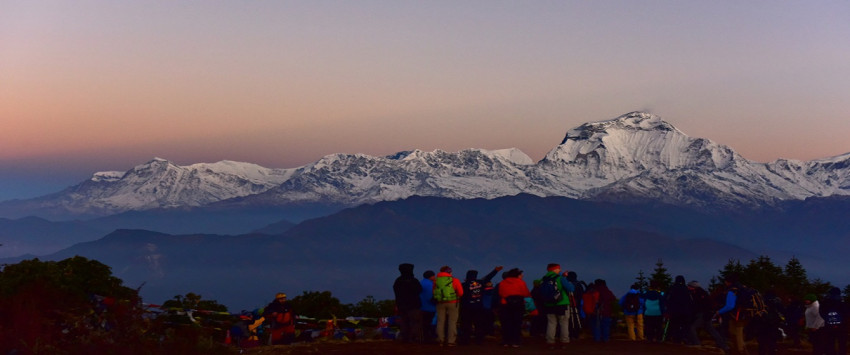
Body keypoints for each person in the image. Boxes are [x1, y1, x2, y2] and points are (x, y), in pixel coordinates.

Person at [458, 266, 502, 345]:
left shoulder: (464, 285)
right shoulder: (480, 283)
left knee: (466, 324)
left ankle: (465, 340)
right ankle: (479, 340)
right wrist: (495, 271)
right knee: (478, 324)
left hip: (466, 307)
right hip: (478, 307)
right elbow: (488, 277)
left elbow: (460, 294)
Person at [538, 263, 575, 349]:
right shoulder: (560, 278)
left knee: (551, 323)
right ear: (555, 269)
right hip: (562, 303)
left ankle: (550, 342)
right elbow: (571, 288)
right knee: (564, 323)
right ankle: (564, 342)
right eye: (559, 269)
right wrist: (566, 279)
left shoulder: (543, 279)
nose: (560, 270)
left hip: (549, 304)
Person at [687, 280, 729, 354]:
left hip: (703, 314)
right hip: (707, 314)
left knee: (692, 328)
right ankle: (724, 345)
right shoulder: (702, 293)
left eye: (689, 286)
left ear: (693, 287)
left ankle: (696, 343)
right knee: (711, 330)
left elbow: (698, 305)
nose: (688, 287)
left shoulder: (698, 294)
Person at [716, 274, 750, 354]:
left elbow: (730, 306)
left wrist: (719, 311)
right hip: (745, 314)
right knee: (737, 333)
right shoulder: (743, 288)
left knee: (737, 334)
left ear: (728, 282)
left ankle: (741, 351)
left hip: (736, 315)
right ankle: (740, 349)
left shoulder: (732, 291)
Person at [497, 268, 531, 348]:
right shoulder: (521, 282)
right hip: (518, 304)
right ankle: (515, 341)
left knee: (506, 323)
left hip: (505, 305)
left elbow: (500, 293)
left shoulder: (503, 282)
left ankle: (506, 341)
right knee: (516, 323)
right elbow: (526, 293)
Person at [433, 265, 463, 347]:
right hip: (453, 302)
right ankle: (451, 341)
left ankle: (440, 340)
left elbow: (434, 292)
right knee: (452, 322)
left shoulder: (436, 281)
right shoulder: (455, 280)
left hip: (440, 303)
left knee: (440, 321)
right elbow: (460, 293)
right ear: (450, 272)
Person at [393, 263, 423, 343]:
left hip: (401, 305)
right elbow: (419, 290)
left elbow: (396, 293)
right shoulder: (413, 281)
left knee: (404, 322)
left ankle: (404, 337)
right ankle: (414, 337)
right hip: (414, 305)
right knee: (415, 322)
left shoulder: (398, 281)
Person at [665, 275, 695, 344]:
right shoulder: (686, 289)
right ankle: (682, 338)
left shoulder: (672, 288)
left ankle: (676, 339)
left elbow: (667, 299)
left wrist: (668, 308)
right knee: (684, 326)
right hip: (684, 311)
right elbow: (690, 300)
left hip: (674, 310)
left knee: (675, 325)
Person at [819, 287, 848, 355]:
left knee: (830, 342)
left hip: (828, 325)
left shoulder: (825, 301)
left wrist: (827, 319)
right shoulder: (843, 302)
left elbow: (821, 312)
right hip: (842, 326)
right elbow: (847, 313)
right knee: (842, 343)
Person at [565, 271, 586, 340]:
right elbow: (581, 294)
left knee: (568, 319)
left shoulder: (567, 284)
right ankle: (576, 334)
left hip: (567, 303)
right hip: (576, 303)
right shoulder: (578, 284)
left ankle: (569, 333)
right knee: (576, 319)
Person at [419, 270, 437, 343]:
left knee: (424, 323)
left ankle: (424, 337)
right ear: (431, 276)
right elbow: (432, 296)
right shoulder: (431, 284)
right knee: (430, 323)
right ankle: (429, 338)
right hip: (430, 307)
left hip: (421, 306)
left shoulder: (420, 283)